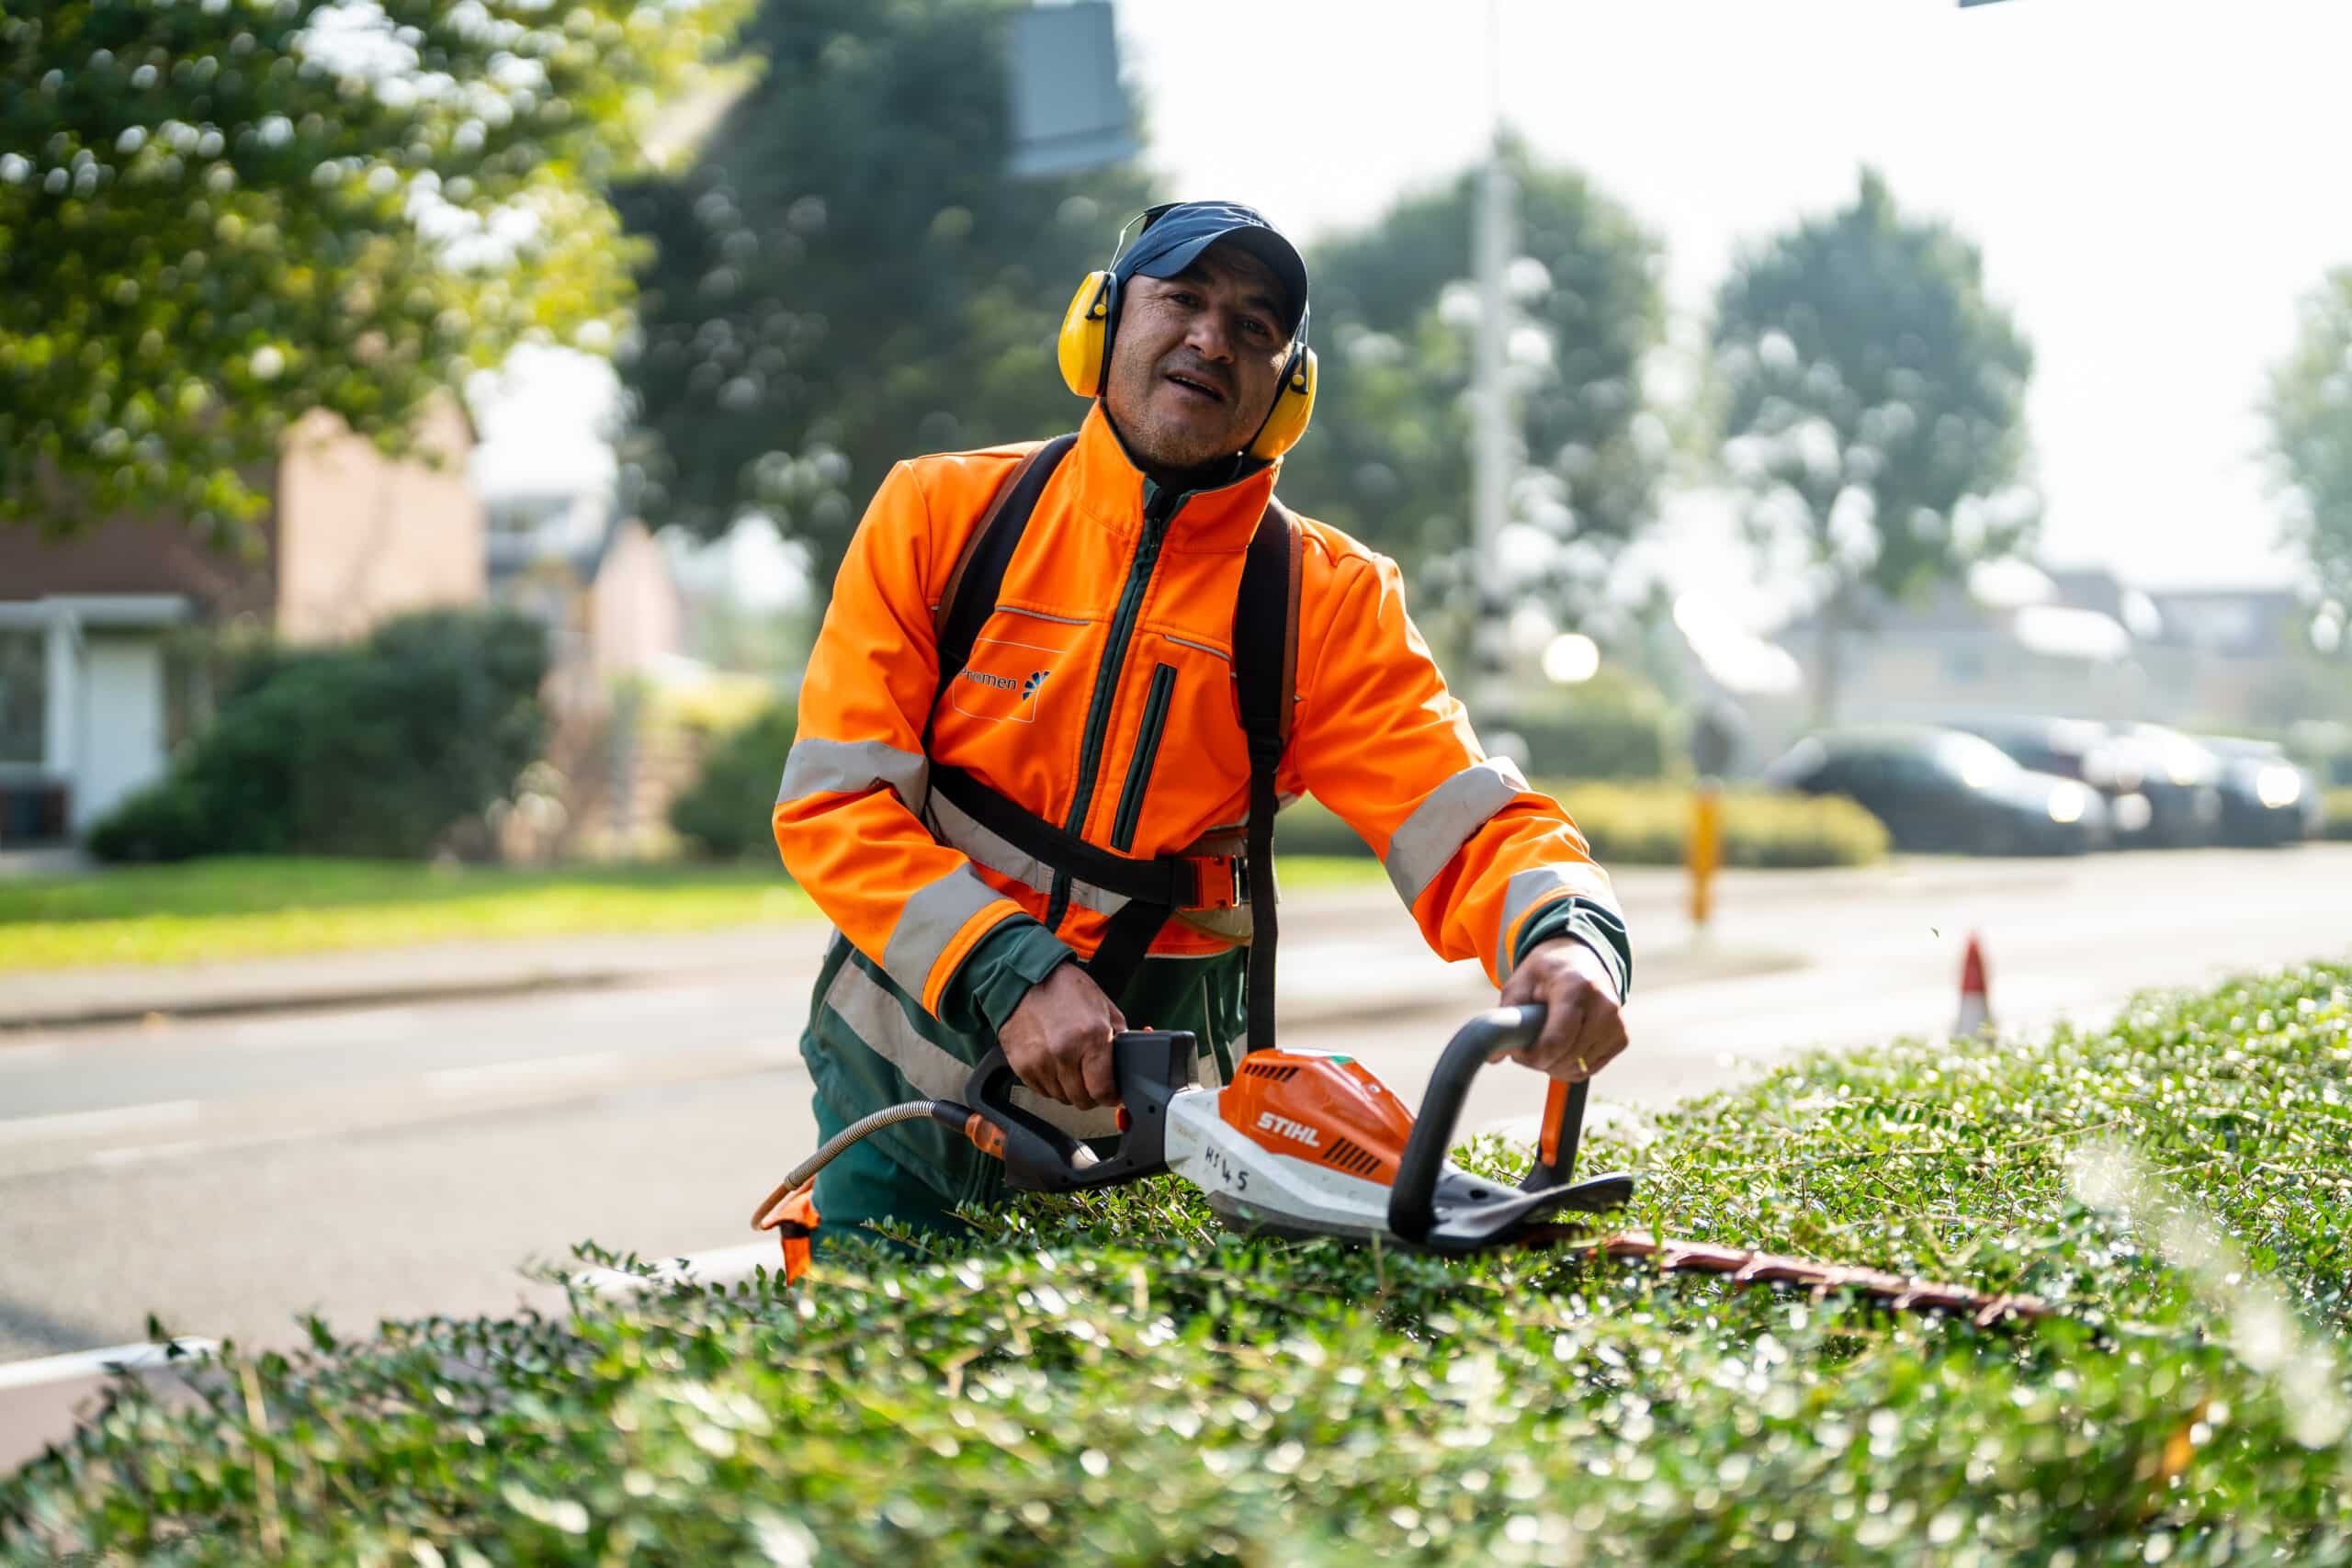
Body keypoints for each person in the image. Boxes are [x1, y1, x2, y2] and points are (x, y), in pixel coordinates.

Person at [765, 200, 1631, 1274]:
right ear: (1100, 323)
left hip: (1148, 1140)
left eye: (1254, 326)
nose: (1212, 339)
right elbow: (837, 802)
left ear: (1287, 386)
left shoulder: (1324, 600)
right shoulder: (939, 515)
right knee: (876, 1367)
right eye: (1181, 299)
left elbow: (1463, 818)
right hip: (899, 1096)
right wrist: (1009, 970)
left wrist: (1562, 933)